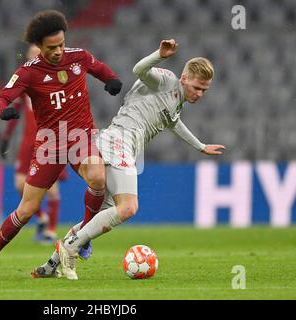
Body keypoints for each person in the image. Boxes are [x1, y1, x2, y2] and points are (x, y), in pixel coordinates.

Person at [36, 39, 226, 280]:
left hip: (124, 146)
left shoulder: (177, 101)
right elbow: (139, 70)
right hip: (119, 140)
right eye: (197, 88)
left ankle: (52, 264)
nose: (199, 94)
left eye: (204, 91)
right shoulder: (166, 80)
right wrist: (160, 54)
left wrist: (200, 146)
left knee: (101, 214)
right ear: (185, 78)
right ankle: (70, 249)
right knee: (128, 208)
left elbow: (173, 122)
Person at [0, 10, 122, 279]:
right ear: (39, 46)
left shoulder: (79, 57)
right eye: (52, 47)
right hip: (50, 145)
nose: (58, 51)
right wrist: (2, 110)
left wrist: (111, 80)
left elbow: (100, 69)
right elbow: (1, 98)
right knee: (27, 210)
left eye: (61, 44)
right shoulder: (28, 73)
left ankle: (83, 236)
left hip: (81, 137)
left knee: (99, 178)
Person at [0, 45, 67, 244]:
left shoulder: (56, 79)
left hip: (49, 140)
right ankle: (42, 218)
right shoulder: (25, 82)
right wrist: (6, 136)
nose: (34, 59)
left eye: (38, 55)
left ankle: (51, 231)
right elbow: (16, 111)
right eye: (31, 55)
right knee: (20, 184)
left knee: (51, 188)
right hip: (29, 141)